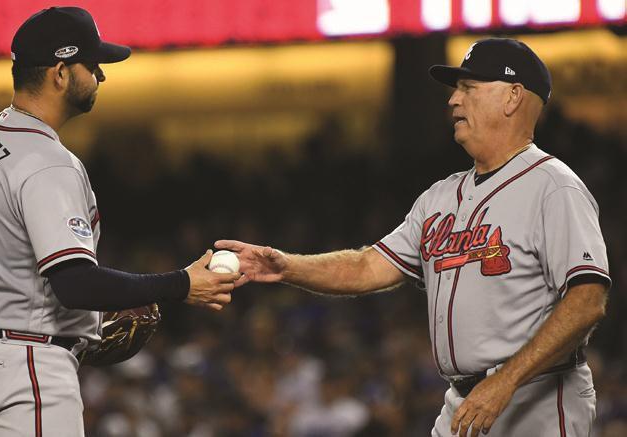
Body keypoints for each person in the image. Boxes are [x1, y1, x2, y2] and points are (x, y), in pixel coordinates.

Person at [217, 38, 611, 436]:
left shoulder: (553, 186)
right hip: (463, 401)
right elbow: (368, 265)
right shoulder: (439, 197)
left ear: (512, 97)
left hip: (536, 397)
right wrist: (286, 266)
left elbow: (587, 301)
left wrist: (506, 381)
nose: (453, 100)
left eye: (468, 88)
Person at [0, 7, 238, 436]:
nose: (101, 76)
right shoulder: (48, 163)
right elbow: (75, 284)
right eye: (91, 65)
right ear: (60, 73)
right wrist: (182, 284)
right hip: (26, 369)